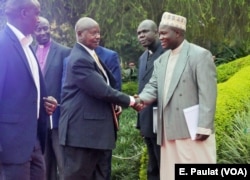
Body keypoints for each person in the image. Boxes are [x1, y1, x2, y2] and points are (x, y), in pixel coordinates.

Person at [135, 12, 217, 180]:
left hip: (192, 129)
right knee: (170, 174)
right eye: (160, 33)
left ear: (178, 33)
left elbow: (208, 94)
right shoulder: (161, 60)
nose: (161, 37)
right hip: (167, 130)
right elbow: (153, 87)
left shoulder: (199, 55)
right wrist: (140, 99)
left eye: (164, 33)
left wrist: (204, 126)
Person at [59, 17, 138, 180]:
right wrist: (131, 100)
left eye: (99, 33)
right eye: (93, 33)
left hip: (95, 134)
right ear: (79, 34)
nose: (97, 36)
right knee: (78, 176)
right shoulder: (79, 59)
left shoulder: (90, 55)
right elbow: (102, 90)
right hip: (82, 135)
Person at [0, 0, 57, 180]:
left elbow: (23, 92)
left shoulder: (27, 46)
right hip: (11, 147)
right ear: (24, 13)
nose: (39, 19)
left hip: (34, 141)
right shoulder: (3, 46)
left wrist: (43, 103)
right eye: (36, 13)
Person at [33, 16, 71, 180]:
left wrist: (59, 104)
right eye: (38, 29)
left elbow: (69, 85)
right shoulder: (29, 52)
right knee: (45, 167)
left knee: (64, 166)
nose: (43, 32)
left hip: (58, 118)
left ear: (50, 29)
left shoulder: (64, 52)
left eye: (45, 28)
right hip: (37, 121)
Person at [136, 19, 164, 180]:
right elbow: (142, 90)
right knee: (152, 166)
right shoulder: (142, 58)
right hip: (147, 119)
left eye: (145, 31)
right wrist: (140, 123)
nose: (141, 35)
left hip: (161, 118)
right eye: (139, 33)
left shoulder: (167, 53)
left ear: (157, 32)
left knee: (163, 162)